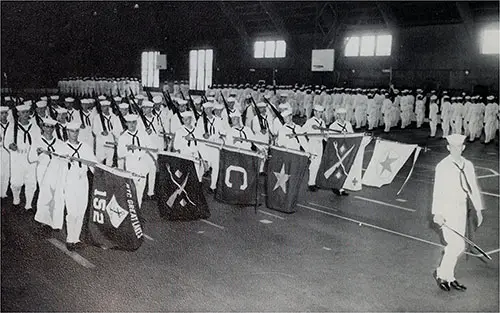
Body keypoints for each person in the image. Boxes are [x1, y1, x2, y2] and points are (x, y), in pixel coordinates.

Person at [432, 134, 484, 291]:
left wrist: (478, 209)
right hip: (447, 210)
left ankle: (448, 275)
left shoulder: (467, 165)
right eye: (453, 147)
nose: (456, 150)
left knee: (457, 246)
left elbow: (472, 187)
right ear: (448, 148)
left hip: (461, 209)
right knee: (456, 244)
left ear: (463, 148)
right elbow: (438, 190)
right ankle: (442, 275)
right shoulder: (443, 166)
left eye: (459, 147)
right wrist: (437, 213)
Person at [62, 121, 97, 251]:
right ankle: (70, 239)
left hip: (83, 180)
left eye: (76, 131)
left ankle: (76, 239)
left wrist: (102, 173)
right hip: (70, 181)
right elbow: (58, 166)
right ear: (67, 132)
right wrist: (65, 160)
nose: (74, 134)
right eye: (71, 131)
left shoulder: (85, 147)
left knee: (81, 210)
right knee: (72, 212)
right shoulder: (63, 148)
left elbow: (93, 164)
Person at [3, 104, 40, 211]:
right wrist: (11, 146)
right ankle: (16, 199)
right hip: (17, 158)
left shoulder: (34, 127)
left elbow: (38, 141)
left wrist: (36, 150)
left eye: (27, 112)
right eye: (23, 112)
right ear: (18, 113)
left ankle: (28, 204)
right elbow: (7, 142)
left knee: (31, 182)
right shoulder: (12, 127)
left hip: (30, 158)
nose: (25, 114)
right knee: (16, 182)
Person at [117, 114, 154, 207]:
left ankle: (138, 208)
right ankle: (132, 210)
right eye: (129, 123)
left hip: (143, 163)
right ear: (126, 124)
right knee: (132, 188)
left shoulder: (143, 134)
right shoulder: (123, 137)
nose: (132, 125)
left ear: (136, 123)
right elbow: (120, 154)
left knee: (141, 187)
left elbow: (150, 147)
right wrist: (127, 150)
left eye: (134, 122)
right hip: (131, 163)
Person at [302, 105, 326, 192]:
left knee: (318, 164)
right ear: (314, 112)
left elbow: (324, 133)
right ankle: (311, 183)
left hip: (320, 144)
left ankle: (314, 182)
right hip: (313, 143)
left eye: (321, 113)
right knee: (313, 164)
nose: (319, 114)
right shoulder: (310, 121)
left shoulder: (322, 122)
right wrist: (306, 142)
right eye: (318, 112)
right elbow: (301, 131)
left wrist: (326, 135)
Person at [0, 107, 11, 200]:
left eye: (5, 113)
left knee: (7, 172)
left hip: (7, 151)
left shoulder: (11, 124)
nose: (3, 115)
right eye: (1, 113)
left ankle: (4, 192)